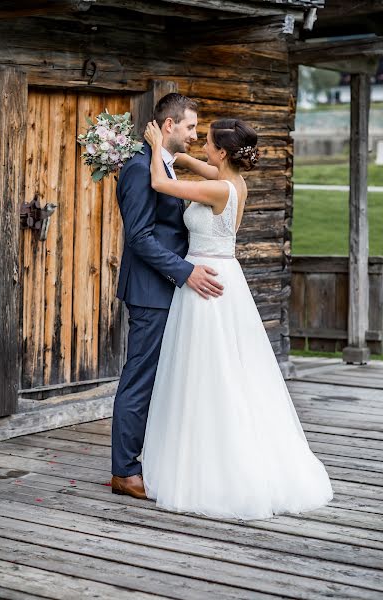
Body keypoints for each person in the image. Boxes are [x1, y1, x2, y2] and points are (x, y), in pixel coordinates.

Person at [141, 118, 334, 519]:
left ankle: (215, 462)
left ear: (223, 152)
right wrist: (178, 153)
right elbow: (197, 165)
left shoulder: (217, 188)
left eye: (208, 142)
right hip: (223, 274)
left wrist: (157, 143)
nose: (203, 146)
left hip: (205, 280)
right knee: (224, 365)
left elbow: (160, 185)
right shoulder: (232, 181)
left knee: (208, 369)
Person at [111, 94, 224, 499]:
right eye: (191, 127)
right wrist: (186, 271)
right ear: (169, 125)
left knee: (163, 380)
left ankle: (149, 460)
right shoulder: (140, 168)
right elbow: (139, 237)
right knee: (140, 379)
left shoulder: (162, 164)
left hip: (169, 290)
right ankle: (124, 471)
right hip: (150, 291)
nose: (195, 134)